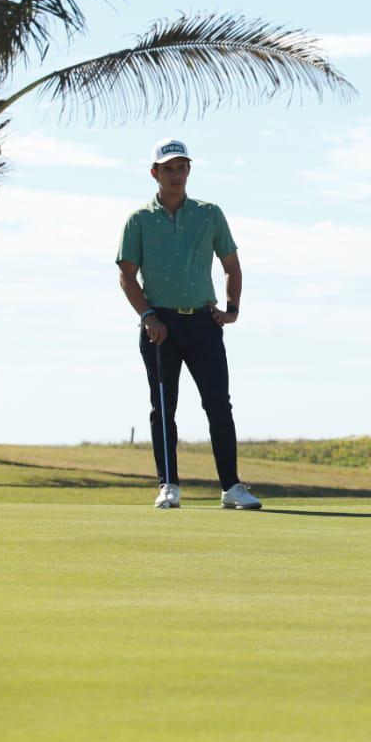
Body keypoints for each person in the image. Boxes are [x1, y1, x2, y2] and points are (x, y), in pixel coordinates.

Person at [115, 138, 260, 511]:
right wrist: (147, 316)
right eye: (168, 168)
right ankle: (169, 485)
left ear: (188, 171)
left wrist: (232, 309)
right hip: (159, 327)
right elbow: (127, 277)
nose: (176, 174)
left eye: (181, 167)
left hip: (203, 323)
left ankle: (231, 487)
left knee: (218, 405)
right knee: (164, 408)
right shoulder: (139, 220)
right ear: (155, 174)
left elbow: (232, 265)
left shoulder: (209, 213)